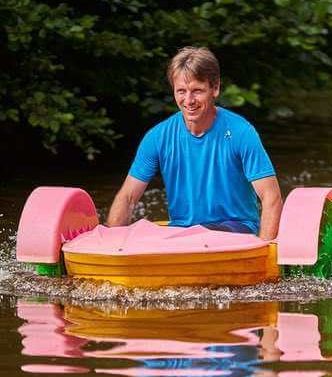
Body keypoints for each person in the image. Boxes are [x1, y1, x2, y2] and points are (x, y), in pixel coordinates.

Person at [106, 46, 283, 240]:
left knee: (193, 236)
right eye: (181, 91)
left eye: (197, 91)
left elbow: (271, 197)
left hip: (236, 230)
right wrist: (113, 245)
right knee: (142, 232)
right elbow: (128, 198)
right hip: (183, 233)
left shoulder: (241, 132)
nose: (188, 100)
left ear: (215, 89)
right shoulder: (157, 137)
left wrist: (265, 251)